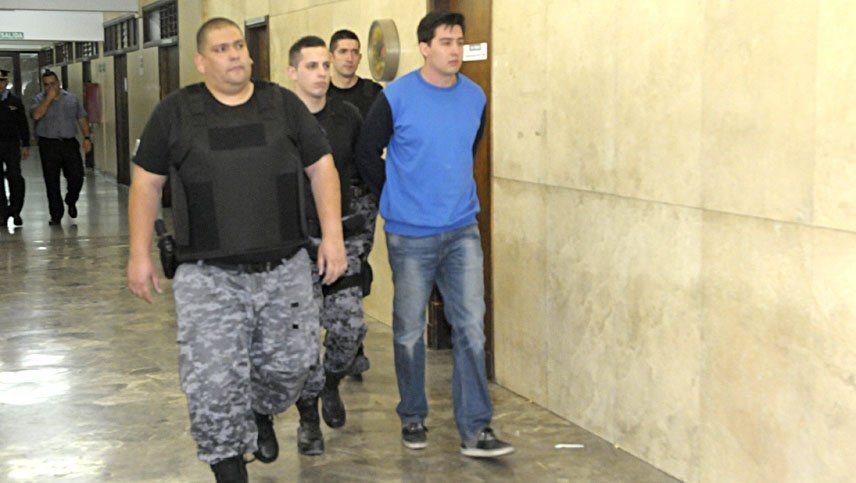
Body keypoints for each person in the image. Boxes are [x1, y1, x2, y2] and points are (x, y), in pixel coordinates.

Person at [126, 18, 346, 482]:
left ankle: (258, 410)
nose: (234, 56)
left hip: (284, 268)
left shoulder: (282, 104)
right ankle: (228, 463)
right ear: (201, 61)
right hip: (209, 275)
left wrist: (333, 236)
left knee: (294, 367)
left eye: (239, 46)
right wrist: (139, 254)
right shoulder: (175, 112)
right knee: (212, 383)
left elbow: (321, 166)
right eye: (221, 49)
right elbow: (146, 183)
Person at [356, 11, 514, 458]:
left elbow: (469, 147)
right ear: (425, 48)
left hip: (462, 229)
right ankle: (412, 415)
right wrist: (395, 197)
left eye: (459, 42)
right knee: (409, 331)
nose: (455, 50)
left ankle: (476, 429)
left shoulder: (475, 96)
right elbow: (366, 152)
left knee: (472, 329)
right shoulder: (395, 97)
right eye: (446, 42)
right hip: (410, 236)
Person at [286, 35, 368, 456]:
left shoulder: (347, 115)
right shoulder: (279, 119)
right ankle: (307, 418)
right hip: (294, 241)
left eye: (325, 65)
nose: (321, 74)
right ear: (293, 72)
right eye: (312, 66)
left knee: (349, 328)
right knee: (302, 339)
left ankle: (331, 384)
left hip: (340, 236)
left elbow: (362, 167)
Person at [328, 28, 384, 379]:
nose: (349, 58)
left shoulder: (373, 95)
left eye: (354, 52)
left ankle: (351, 344)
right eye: (343, 51)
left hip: (361, 196)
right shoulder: (321, 94)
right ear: (331, 56)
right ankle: (337, 339)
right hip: (325, 196)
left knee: (356, 264)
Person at [30, 69, 91, 226]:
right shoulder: (38, 99)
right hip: (48, 144)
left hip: (69, 143)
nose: (50, 87)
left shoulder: (72, 99)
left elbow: (82, 118)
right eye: (46, 85)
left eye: (53, 83)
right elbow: (36, 115)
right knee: (51, 181)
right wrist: (48, 99)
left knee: (77, 176)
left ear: (59, 83)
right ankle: (56, 215)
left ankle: (71, 200)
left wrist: (87, 138)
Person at [0, 69, 30, 226]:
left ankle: (15, 210)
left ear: (6, 82)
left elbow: (22, 124)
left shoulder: (15, 101)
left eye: (1, 81)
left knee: (15, 177)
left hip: (11, 145)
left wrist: (26, 144)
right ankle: (2, 213)